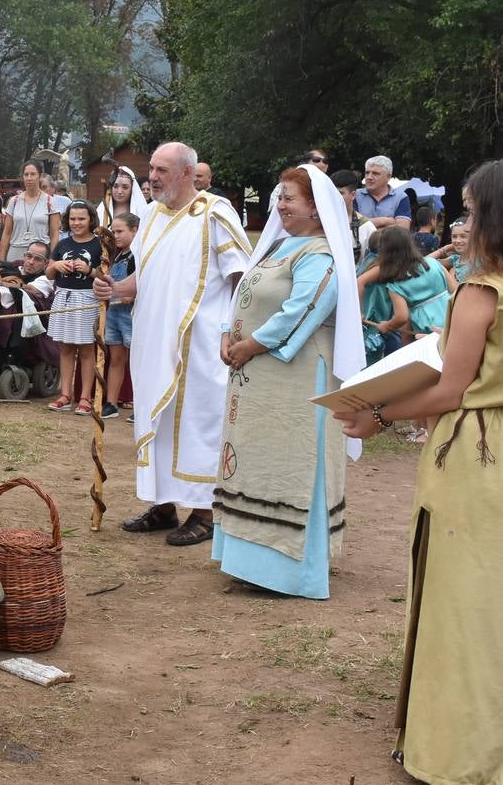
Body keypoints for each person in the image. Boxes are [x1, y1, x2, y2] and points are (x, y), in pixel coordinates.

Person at [333, 159, 503, 785]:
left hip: (474, 458)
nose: (462, 221)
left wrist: (377, 411)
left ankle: (463, 747)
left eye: (470, 208)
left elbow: (451, 389)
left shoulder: (480, 290)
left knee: (464, 598)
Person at [212, 164, 362, 599]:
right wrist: (227, 332)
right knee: (258, 460)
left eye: (289, 198)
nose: (280, 204)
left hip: (297, 380)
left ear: (316, 210)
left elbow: (306, 306)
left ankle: (290, 569)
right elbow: (242, 293)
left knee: (291, 464)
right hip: (259, 377)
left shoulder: (320, 254)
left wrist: (252, 344)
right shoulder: (277, 247)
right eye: (278, 196)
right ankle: (250, 560)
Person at [93, 142, 252, 546]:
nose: (153, 176)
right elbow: (142, 279)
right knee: (155, 421)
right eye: (151, 168)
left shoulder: (214, 213)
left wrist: (231, 331)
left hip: (199, 343)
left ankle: (204, 512)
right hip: (152, 338)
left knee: (197, 423)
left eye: (162, 170)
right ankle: (163, 504)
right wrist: (114, 288)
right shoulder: (151, 217)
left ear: (186, 173)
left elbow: (242, 279)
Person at [44, 201, 103, 415]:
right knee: (65, 347)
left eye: (81, 219)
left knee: (86, 348)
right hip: (63, 298)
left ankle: (85, 396)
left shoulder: (99, 245)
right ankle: (65, 394)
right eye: (73, 219)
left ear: (90, 220)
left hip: (87, 298)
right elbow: (49, 274)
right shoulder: (62, 244)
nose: (76, 223)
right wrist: (56, 266)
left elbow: (106, 275)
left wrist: (89, 270)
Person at [358, 226, 452, 340]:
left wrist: (387, 325)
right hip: (453, 320)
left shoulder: (396, 286)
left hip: (428, 329)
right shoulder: (434, 263)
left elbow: (401, 316)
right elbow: (456, 289)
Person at [103, 211, 139, 420]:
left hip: (131, 315)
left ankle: (139, 404)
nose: (115, 236)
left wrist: (130, 296)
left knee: (136, 360)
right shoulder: (116, 256)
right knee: (116, 359)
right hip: (114, 313)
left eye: (120, 231)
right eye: (113, 231)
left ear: (134, 231)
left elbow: (143, 286)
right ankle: (111, 402)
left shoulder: (137, 256)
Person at [0, 161, 58, 263]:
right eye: (26, 174)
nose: (29, 178)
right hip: (15, 253)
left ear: (39, 176)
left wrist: (53, 259)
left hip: (39, 256)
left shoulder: (50, 201)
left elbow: (54, 234)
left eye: (33, 174)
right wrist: (2, 260)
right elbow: (7, 233)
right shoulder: (14, 201)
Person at [331, 169, 375, 262]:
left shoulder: (366, 227)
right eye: (331, 193)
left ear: (353, 195)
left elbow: (374, 263)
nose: (334, 197)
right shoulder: (318, 222)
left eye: (340, 193)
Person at [355, 156, 411, 229]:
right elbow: (353, 224)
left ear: (388, 176)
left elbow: (403, 229)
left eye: (375, 173)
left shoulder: (401, 197)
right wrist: (384, 221)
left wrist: (366, 224)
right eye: (367, 173)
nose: (369, 177)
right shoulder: (355, 195)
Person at [429, 217, 472, 285]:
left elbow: (459, 290)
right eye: (454, 236)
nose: (457, 240)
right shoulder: (454, 259)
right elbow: (425, 263)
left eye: (463, 236)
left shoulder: (478, 264)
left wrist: (450, 274)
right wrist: (445, 248)